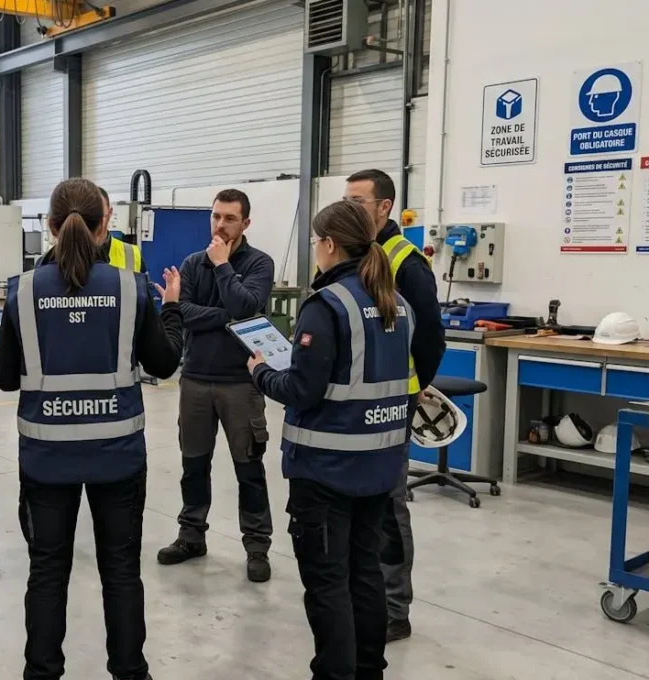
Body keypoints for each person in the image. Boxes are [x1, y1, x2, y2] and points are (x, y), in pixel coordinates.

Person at [0, 178, 184, 680]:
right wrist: (173, 310)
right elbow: (164, 365)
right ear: (105, 227)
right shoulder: (131, 287)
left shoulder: (23, 290)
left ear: (51, 227)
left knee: (47, 573)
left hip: (46, 460)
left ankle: (42, 672)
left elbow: (6, 378)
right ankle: (129, 672)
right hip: (117, 457)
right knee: (121, 573)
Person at [248, 199, 414, 680]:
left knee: (327, 585)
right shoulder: (396, 303)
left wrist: (261, 371)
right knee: (365, 575)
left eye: (315, 243)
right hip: (379, 468)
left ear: (328, 244)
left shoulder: (327, 305)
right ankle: (368, 670)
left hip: (326, 470)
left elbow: (303, 388)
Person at [344, 169, 445, 643]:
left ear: (384, 207)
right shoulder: (355, 253)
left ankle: (394, 608)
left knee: (387, 502)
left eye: (358, 201)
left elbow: (430, 337)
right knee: (356, 500)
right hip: (351, 405)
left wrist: (412, 387)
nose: (349, 208)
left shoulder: (404, 260)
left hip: (390, 405)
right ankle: (363, 595)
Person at [157, 188, 276, 583]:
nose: (220, 225)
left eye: (228, 218)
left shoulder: (260, 263)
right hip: (194, 380)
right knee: (193, 465)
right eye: (215, 217)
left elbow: (247, 308)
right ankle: (192, 535)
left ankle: (257, 546)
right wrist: (227, 313)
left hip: (241, 383)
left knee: (249, 468)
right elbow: (183, 313)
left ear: (246, 223)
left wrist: (224, 267)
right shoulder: (192, 264)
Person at [96, 186, 145, 272]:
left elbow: (144, 284)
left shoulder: (131, 255)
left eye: (98, 214)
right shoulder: (68, 254)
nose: (94, 221)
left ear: (110, 213)